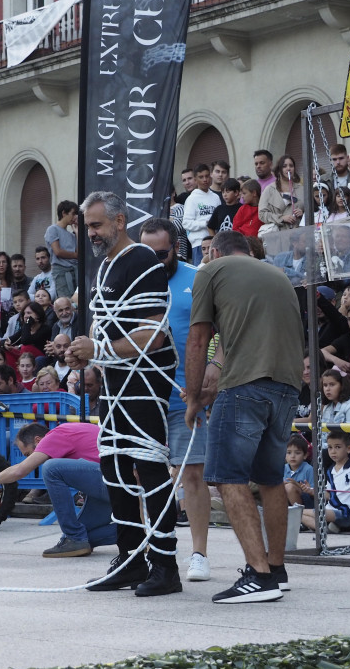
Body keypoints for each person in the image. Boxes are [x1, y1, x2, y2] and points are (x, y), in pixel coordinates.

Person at [66, 191, 180, 597]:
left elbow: (154, 333)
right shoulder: (107, 266)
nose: (90, 233)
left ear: (119, 221)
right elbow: (109, 327)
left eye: (96, 225)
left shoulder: (143, 261)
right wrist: (88, 353)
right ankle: (131, 558)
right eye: (87, 226)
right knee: (114, 467)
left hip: (145, 380)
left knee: (148, 466)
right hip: (115, 381)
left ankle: (165, 564)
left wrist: (97, 350)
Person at [184, 229, 303, 603]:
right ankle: (277, 570)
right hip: (286, 386)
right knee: (270, 479)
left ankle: (258, 575)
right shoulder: (277, 275)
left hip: (245, 387)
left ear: (216, 251)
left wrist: (192, 398)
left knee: (228, 478)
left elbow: (199, 338)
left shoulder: (211, 270)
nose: (204, 259)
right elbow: (243, 337)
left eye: (206, 253)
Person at [140, 217, 211, 583]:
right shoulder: (132, 281)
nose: (154, 260)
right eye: (147, 253)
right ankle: (153, 546)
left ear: (177, 248)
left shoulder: (197, 278)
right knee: (145, 476)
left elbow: (218, 332)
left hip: (186, 395)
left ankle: (199, 553)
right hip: (142, 394)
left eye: (161, 253)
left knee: (193, 475)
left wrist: (206, 384)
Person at [0, 422, 115, 557]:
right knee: (84, 538)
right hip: (116, 485)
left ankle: (73, 537)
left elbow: (19, 471)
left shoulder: (55, 435)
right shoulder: (72, 431)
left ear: (38, 440)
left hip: (112, 481)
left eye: (28, 454)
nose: (31, 458)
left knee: (51, 468)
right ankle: (135, 533)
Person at [300, 431, 350, 533]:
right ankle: (326, 528)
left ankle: (323, 527)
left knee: (309, 513)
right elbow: (329, 495)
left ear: (349, 449)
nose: (333, 451)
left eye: (338, 447)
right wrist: (310, 491)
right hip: (331, 509)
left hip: (347, 512)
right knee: (299, 513)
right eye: (330, 447)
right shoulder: (330, 470)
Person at [183, 163, 221, 265]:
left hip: (215, 243)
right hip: (199, 244)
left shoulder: (216, 197)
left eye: (207, 176)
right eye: (201, 177)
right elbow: (186, 223)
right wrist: (206, 223)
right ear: (195, 179)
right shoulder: (192, 199)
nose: (205, 179)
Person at [259, 155, 304, 232]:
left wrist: (303, 213)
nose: (288, 168)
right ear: (279, 169)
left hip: (298, 235)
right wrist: (281, 218)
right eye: (284, 166)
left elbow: (312, 211)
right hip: (277, 234)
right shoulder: (269, 189)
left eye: (291, 166)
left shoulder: (301, 189)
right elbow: (262, 214)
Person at [46, 200, 79, 299]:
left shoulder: (71, 234)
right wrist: (75, 255)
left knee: (77, 300)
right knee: (66, 300)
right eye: (73, 213)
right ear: (64, 213)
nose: (74, 217)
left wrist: (77, 233)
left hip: (75, 270)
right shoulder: (52, 229)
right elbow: (58, 252)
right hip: (61, 271)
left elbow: (79, 253)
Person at [283, 435, 313, 508]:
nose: (292, 456)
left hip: (306, 502)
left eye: (297, 453)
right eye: (289, 453)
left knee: (290, 487)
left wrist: (297, 485)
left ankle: (300, 513)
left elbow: (314, 492)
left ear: (305, 455)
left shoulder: (309, 469)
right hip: (285, 500)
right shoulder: (283, 468)